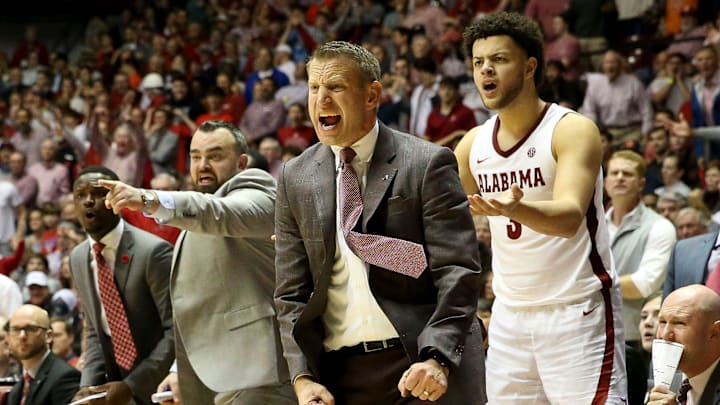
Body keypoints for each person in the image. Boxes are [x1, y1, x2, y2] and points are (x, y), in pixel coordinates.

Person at [274, 40, 485, 405]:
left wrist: (438, 357)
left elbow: (457, 270)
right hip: (341, 377)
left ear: (371, 96)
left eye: (335, 87)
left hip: (421, 365)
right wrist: (302, 376)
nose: (320, 99)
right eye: (313, 88)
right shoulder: (295, 177)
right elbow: (291, 294)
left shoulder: (427, 163)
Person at [455, 12, 627, 403]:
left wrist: (516, 209)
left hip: (577, 311)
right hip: (509, 316)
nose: (486, 70)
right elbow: (437, 216)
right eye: (479, 62)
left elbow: (568, 217)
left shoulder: (570, 129)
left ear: (530, 66)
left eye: (498, 59)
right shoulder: (472, 146)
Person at [99, 120, 294, 405]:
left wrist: (147, 198)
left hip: (264, 376)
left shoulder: (259, 190)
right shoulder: (195, 219)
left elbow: (218, 212)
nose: (202, 165)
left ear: (241, 162)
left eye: (215, 156)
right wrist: (180, 371)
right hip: (216, 378)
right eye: (195, 156)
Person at [68, 166, 174, 405]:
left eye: (97, 193)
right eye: (80, 195)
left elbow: (176, 331)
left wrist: (131, 386)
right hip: (114, 385)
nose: (88, 201)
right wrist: (88, 388)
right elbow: (96, 331)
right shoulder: (78, 257)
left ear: (117, 198)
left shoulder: (153, 252)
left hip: (162, 384)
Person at [604, 150, 676, 347]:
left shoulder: (660, 227)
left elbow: (644, 284)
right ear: (605, 182)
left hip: (635, 339)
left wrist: (591, 280)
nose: (619, 178)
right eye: (614, 173)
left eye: (627, 174)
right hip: (591, 334)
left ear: (641, 184)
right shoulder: (592, 227)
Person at [647, 285, 720, 405]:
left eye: (679, 323)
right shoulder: (666, 383)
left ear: (715, 332)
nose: (665, 334)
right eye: (662, 322)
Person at [6, 304, 80, 405]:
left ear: (48, 336)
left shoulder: (65, 377)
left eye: (30, 328)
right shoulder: (16, 390)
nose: (22, 336)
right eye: (16, 329)